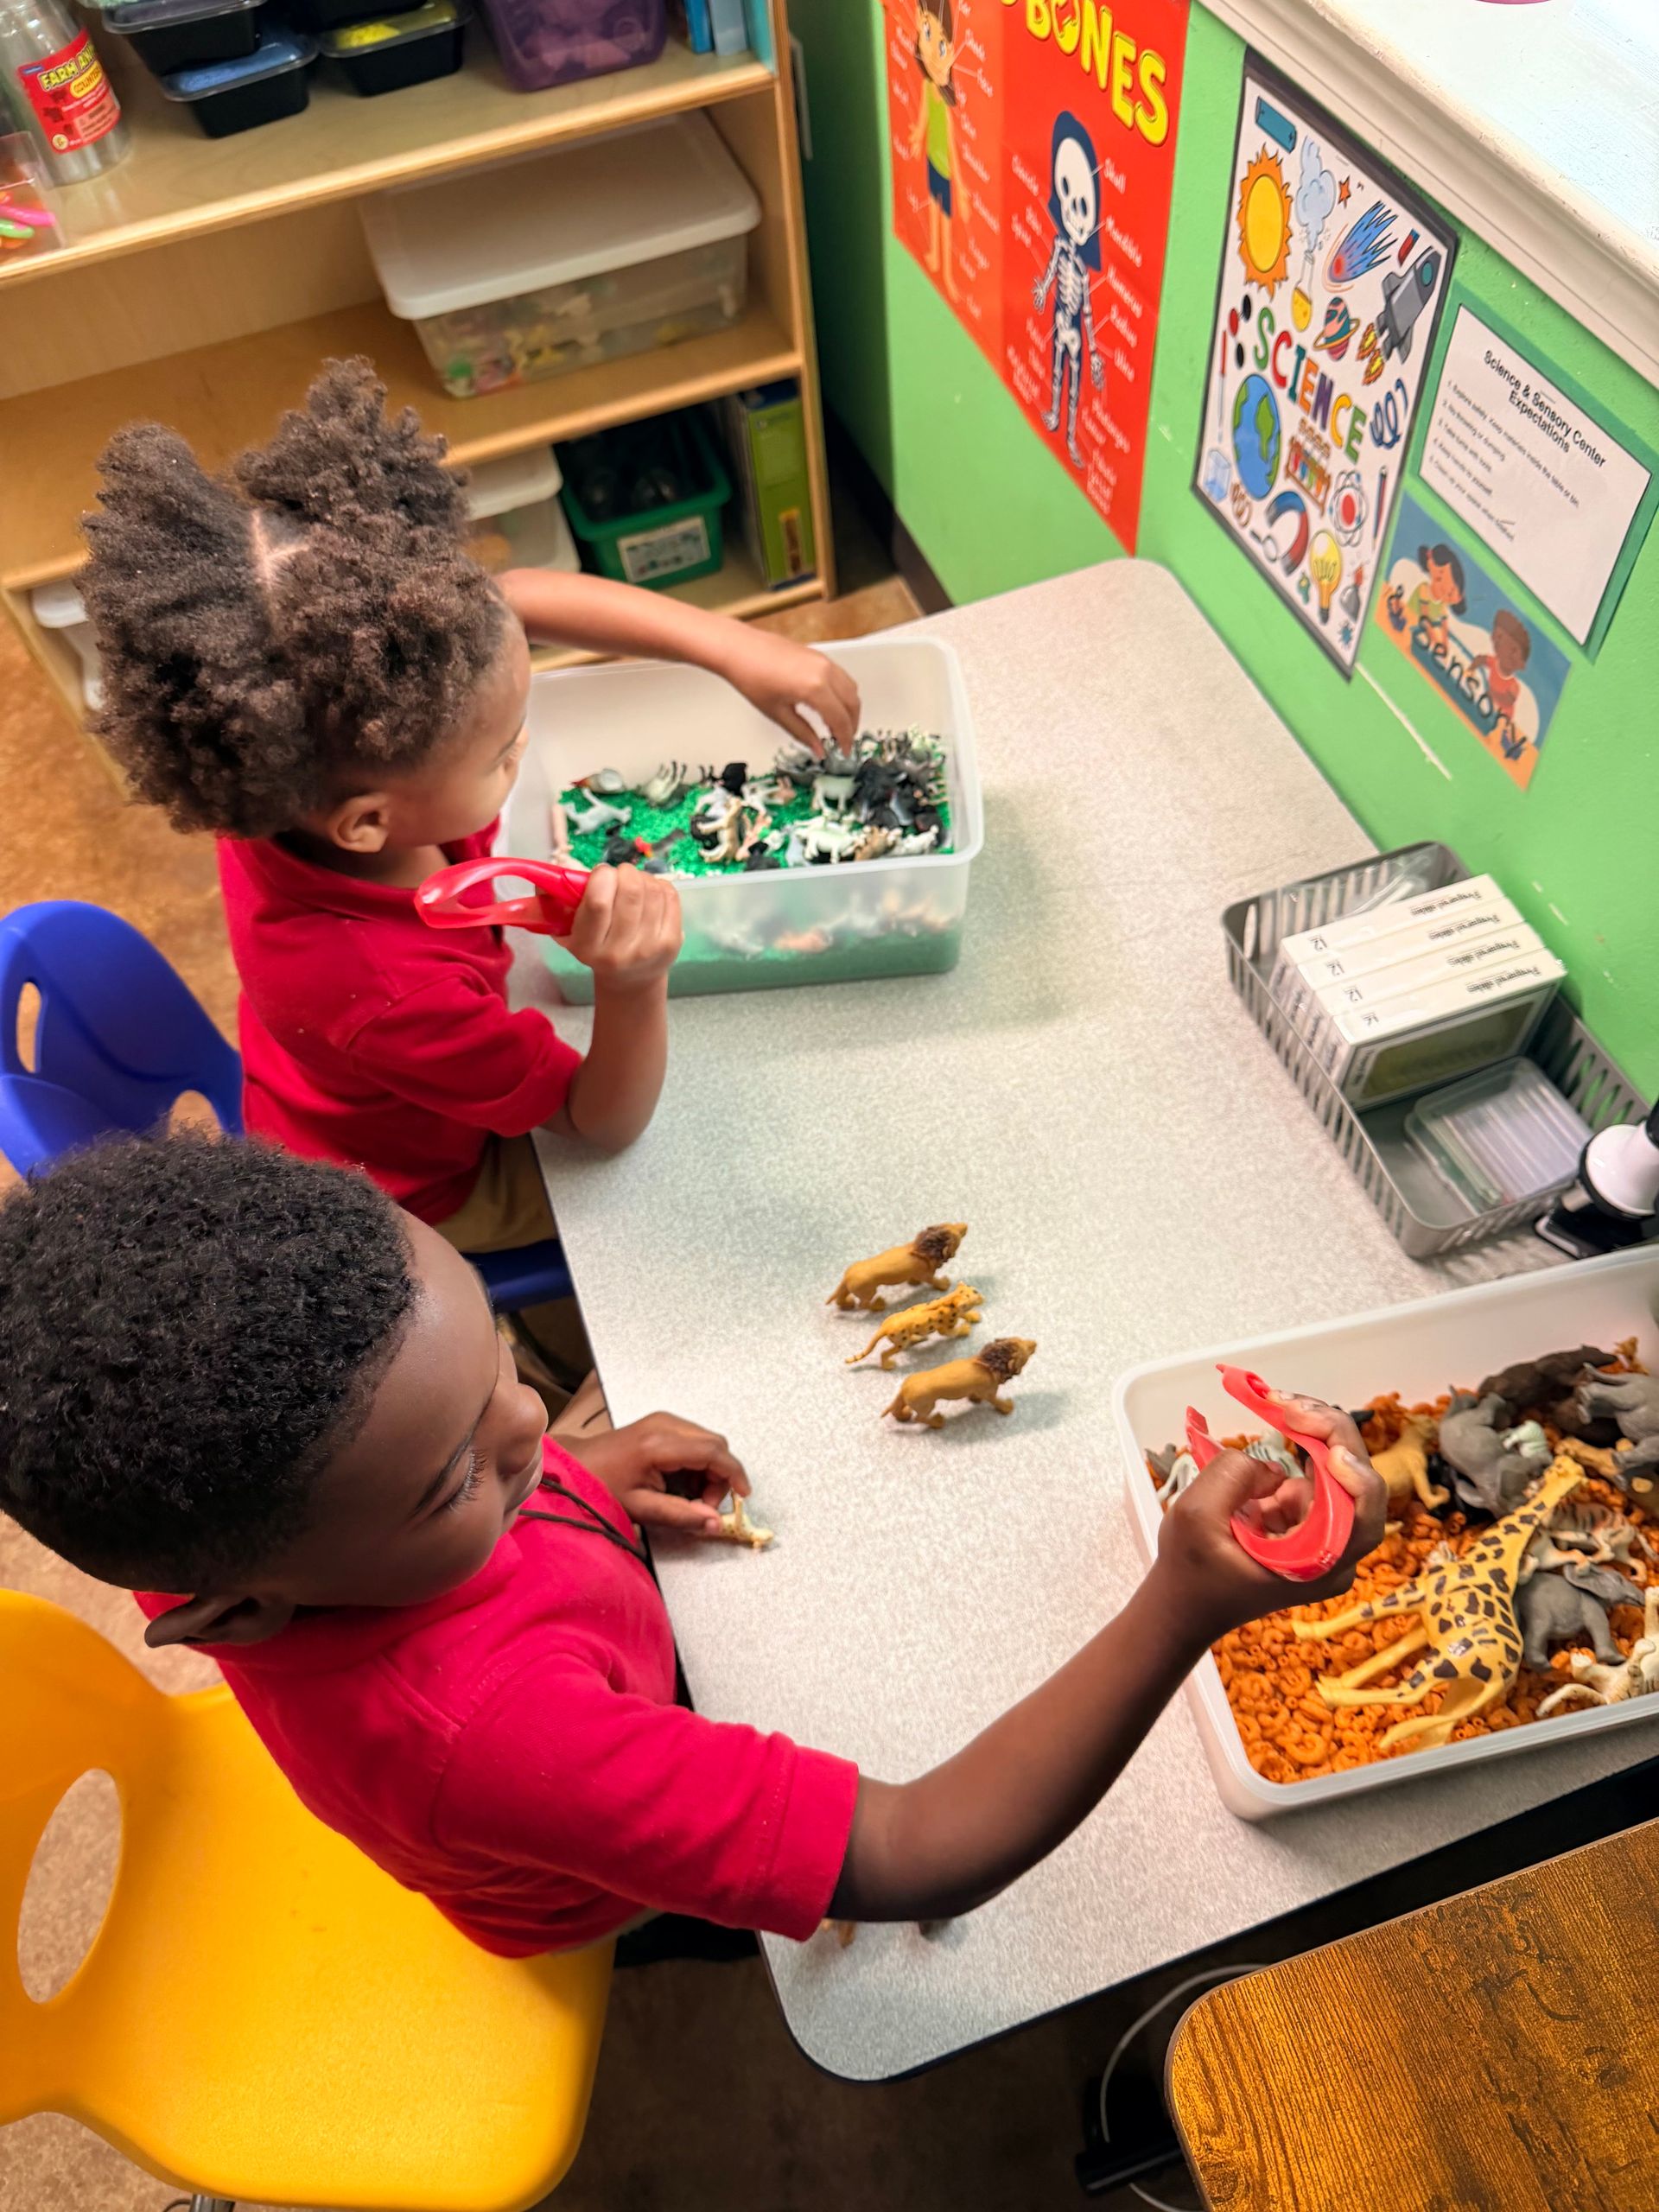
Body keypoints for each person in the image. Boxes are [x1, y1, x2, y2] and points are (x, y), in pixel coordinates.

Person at [0, 1135, 1386, 1953]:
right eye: (457, 1479)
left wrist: (574, 1484)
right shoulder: (492, 1740)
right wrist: (1185, 1600)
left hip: (590, 1677)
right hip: (571, 1875)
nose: (533, 1414)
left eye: (496, 1355)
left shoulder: (273, 1513)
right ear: (229, 1616)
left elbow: (474, 1463)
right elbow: (921, 1853)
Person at [76, 359, 860, 1276]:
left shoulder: (286, 754)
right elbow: (599, 1120)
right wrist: (635, 981)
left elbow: (517, 597)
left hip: (339, 1080)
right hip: (417, 1190)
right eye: (500, 753)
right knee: (685, 1183)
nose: (523, 751)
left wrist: (733, 646)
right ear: (369, 824)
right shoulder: (390, 987)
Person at [909, 3, 965, 303]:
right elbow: (922, 120)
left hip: (944, 167)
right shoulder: (928, 88)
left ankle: (948, 273)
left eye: (941, 46)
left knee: (944, 217)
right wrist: (918, 137)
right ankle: (933, 253)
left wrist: (964, 188)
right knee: (933, 209)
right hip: (932, 159)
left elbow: (954, 146)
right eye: (927, 31)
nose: (931, 52)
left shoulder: (945, 103)